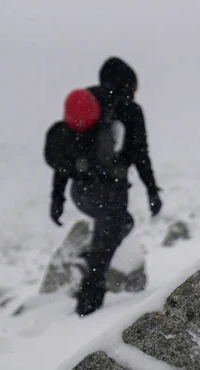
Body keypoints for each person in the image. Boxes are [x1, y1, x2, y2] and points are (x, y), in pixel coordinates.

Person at [44, 57, 162, 316]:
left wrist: (58, 200)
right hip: (111, 191)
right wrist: (152, 190)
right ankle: (86, 312)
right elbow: (141, 155)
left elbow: (64, 159)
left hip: (80, 192)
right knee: (107, 244)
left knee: (120, 225)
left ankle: (87, 262)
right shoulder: (130, 110)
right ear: (128, 83)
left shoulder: (87, 102)